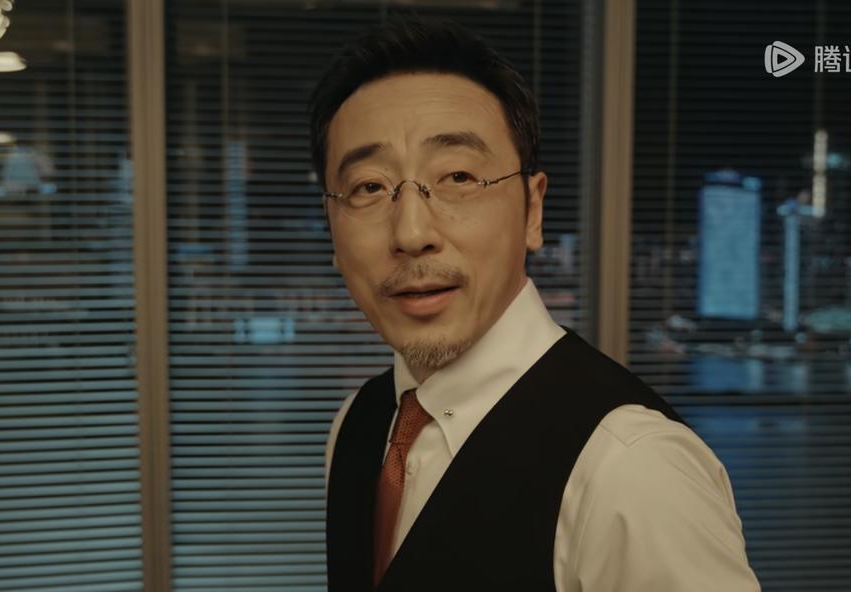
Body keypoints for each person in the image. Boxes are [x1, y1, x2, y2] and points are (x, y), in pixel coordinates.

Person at [313, 17, 759, 591]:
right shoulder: (358, 423)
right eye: (369, 187)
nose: (412, 233)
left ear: (532, 210)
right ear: (332, 224)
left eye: (457, 176)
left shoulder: (631, 466)